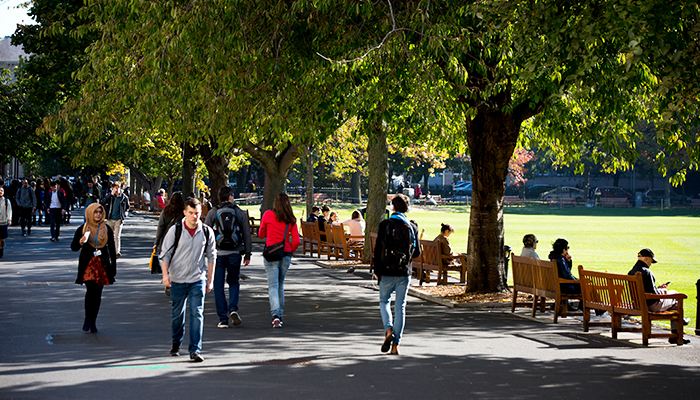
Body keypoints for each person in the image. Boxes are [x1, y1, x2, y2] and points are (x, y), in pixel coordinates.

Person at [160, 198, 216, 362]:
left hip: (197, 279)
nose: (194, 217)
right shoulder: (175, 230)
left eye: (197, 213)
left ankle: (195, 350)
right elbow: (165, 254)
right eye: (191, 213)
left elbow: (212, 256)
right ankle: (176, 343)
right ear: (185, 213)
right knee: (178, 314)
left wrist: (210, 280)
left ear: (201, 213)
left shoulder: (206, 231)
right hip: (177, 278)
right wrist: (165, 274)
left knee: (197, 313)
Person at [374, 194, 421, 355]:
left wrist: (376, 271)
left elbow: (378, 250)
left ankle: (388, 330)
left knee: (384, 301)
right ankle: (396, 345)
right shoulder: (412, 227)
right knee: (400, 307)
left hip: (386, 271)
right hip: (403, 271)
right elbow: (416, 253)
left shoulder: (385, 224)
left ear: (393, 207)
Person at [204, 186, 252, 328]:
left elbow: (205, 232)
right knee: (233, 282)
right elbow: (246, 233)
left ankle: (222, 319)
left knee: (218, 286)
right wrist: (248, 253)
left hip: (217, 254)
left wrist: (206, 252)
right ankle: (233, 308)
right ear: (230, 197)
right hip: (235, 253)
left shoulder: (214, 212)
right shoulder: (238, 212)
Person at [70, 203, 117, 333]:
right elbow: (73, 247)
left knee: (97, 294)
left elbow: (112, 249)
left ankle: (93, 321)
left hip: (102, 264)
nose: (98, 215)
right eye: (95, 212)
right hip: (88, 265)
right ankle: (87, 318)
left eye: (100, 212)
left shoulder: (106, 228)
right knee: (90, 291)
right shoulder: (83, 228)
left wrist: (113, 268)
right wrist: (80, 241)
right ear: (90, 213)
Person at [628, 248, 690, 344]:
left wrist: (659, 289)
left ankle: (678, 327)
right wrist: (663, 290)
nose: (650, 264)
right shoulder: (647, 272)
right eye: (651, 261)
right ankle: (677, 333)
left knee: (672, 294)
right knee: (676, 297)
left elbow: (648, 290)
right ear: (646, 259)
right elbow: (655, 295)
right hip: (650, 305)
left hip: (637, 304)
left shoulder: (631, 272)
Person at [258, 193, 300, 328]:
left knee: (273, 285)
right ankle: (280, 314)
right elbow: (297, 240)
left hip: (271, 253)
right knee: (280, 285)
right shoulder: (291, 219)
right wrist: (290, 252)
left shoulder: (268, 215)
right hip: (285, 253)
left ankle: (275, 315)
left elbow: (261, 234)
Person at [153, 192, 186, 296]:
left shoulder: (165, 211)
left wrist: (156, 242)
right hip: (180, 240)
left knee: (168, 261)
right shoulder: (183, 212)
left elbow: (160, 227)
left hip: (167, 240)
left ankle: (168, 283)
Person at [101, 182, 130, 258]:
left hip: (119, 219)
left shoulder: (124, 197)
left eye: (117, 188)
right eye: (114, 188)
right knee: (109, 236)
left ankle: (117, 252)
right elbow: (103, 202)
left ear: (120, 188)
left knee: (116, 236)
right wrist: (110, 195)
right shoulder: (110, 197)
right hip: (110, 218)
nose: (116, 189)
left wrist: (124, 215)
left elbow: (127, 207)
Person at [0, 187, 11, 258]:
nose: (0, 192)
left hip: (3, 222)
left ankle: (1, 248)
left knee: (2, 240)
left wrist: (9, 219)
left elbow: (9, 211)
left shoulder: (6, 201)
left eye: (1, 191)